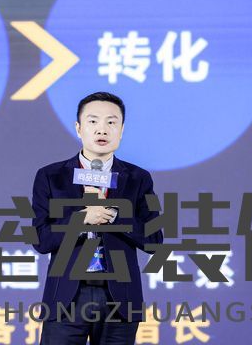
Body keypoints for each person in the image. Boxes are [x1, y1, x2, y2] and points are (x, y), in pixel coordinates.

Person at [31, 91, 163, 345]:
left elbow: (154, 240)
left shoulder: (138, 178)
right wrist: (82, 219)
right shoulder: (51, 176)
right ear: (78, 128)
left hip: (119, 299)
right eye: (93, 121)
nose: (102, 129)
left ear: (121, 130)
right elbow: (40, 239)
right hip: (67, 297)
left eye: (111, 122)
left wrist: (112, 214)